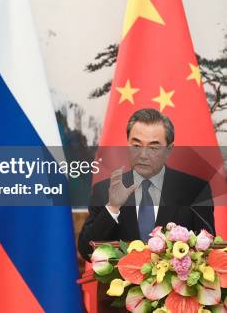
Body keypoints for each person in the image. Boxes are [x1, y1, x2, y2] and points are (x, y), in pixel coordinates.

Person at [78, 108, 214, 260]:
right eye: (136, 146)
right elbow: (86, 251)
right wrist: (112, 207)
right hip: (120, 283)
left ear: (169, 150)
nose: (143, 155)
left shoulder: (194, 191)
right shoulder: (104, 190)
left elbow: (208, 250)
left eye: (153, 147)